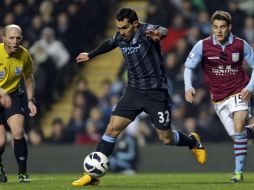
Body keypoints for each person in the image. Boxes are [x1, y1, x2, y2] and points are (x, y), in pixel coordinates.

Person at [72, 8, 206, 187]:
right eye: (119, 28)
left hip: (156, 93)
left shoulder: (146, 31)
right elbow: (110, 43)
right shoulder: (120, 36)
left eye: (125, 27)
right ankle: (92, 175)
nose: (121, 32)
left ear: (135, 24)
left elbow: (163, 31)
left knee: (165, 138)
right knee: (112, 129)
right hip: (133, 92)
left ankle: (192, 141)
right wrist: (91, 54)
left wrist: (158, 34)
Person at [184, 10, 254, 182]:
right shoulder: (202, 45)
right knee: (239, 137)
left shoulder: (241, 44)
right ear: (212, 28)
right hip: (218, 99)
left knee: (238, 127)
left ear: (229, 27)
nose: (219, 31)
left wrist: (250, 87)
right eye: (215, 27)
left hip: (239, 90)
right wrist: (188, 86)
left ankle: (238, 173)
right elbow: (189, 67)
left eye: (222, 27)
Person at [0, 24, 37, 183]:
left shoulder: (24, 54)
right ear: (3, 38)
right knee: (1, 141)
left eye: (18, 38)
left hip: (14, 96)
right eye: (11, 38)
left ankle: (23, 173)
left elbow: (28, 77)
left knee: (17, 130)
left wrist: (30, 100)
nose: (15, 41)